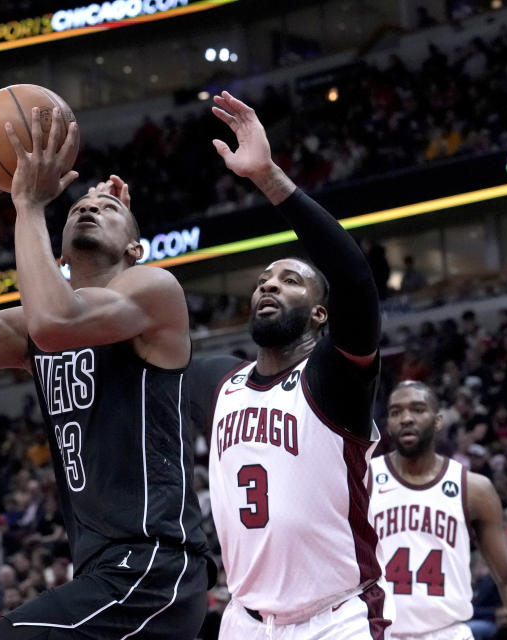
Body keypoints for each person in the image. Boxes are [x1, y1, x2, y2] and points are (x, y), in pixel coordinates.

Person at [0, 103, 209, 638]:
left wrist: (28, 206)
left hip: (153, 568)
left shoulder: (154, 292)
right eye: (79, 207)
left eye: (108, 207)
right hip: (98, 569)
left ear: (135, 246)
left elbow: (54, 322)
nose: (89, 208)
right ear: (57, 250)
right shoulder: (35, 323)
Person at [189, 91, 390, 639]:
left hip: (337, 619)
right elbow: (142, 343)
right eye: (262, 282)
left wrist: (270, 177)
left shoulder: (333, 379)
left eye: (289, 280)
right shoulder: (218, 382)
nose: (269, 285)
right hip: (245, 621)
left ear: (320, 313)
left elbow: (355, 281)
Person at [369, 380, 507, 639]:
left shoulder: (474, 488)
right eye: (396, 412)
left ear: (438, 420)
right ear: (387, 424)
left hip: (448, 632)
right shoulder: (363, 479)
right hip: (380, 633)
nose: (406, 418)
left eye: (417, 409)